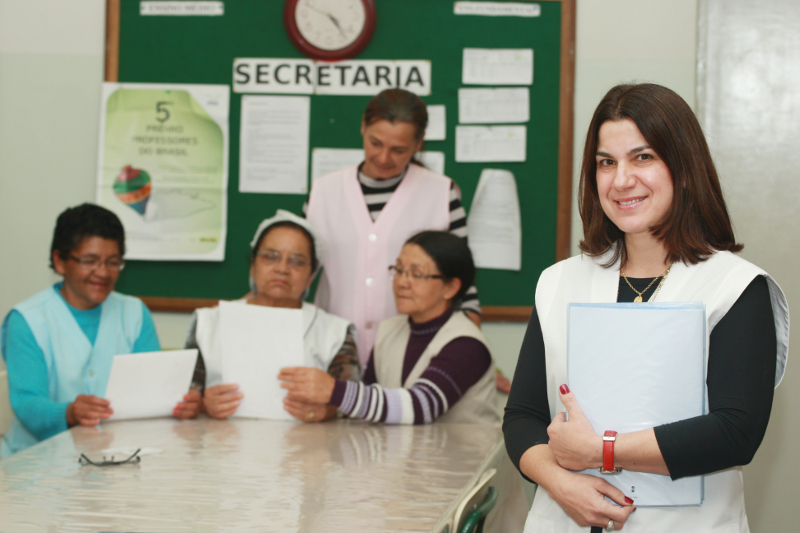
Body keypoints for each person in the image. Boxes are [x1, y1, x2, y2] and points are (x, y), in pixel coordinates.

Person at [503, 83, 789, 532]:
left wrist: (602, 451)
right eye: (606, 162)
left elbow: (736, 433)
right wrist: (560, 482)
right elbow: (523, 416)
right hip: (563, 520)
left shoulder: (734, 287)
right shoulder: (559, 282)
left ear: (684, 167)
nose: (621, 180)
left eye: (643, 157)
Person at [304, 89, 488, 367]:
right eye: (375, 143)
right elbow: (297, 274)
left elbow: (464, 286)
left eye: (399, 149)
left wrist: (470, 358)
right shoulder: (323, 192)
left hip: (415, 354)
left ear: (418, 143)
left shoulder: (441, 193)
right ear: (363, 127)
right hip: (332, 352)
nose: (384, 157)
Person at [0, 203, 171, 457]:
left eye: (113, 262)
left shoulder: (135, 313)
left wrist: (177, 403)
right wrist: (69, 412)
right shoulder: (27, 320)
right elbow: (27, 403)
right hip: (33, 464)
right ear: (59, 261)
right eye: (90, 261)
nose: (102, 272)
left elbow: (155, 389)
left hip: (113, 458)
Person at [279, 231, 499, 425]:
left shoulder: (466, 344)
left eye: (416, 274)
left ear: (451, 287)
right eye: (399, 269)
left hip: (469, 464)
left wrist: (334, 391)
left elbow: (421, 405)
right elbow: (369, 402)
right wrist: (330, 411)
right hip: (411, 463)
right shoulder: (389, 330)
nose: (402, 282)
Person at [183, 210, 360, 422]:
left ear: (311, 277)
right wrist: (203, 404)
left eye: (297, 261)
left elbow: (353, 404)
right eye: (271, 257)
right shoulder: (208, 323)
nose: (282, 269)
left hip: (304, 449)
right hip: (223, 446)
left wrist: (328, 411)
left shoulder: (335, 332)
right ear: (252, 266)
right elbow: (187, 398)